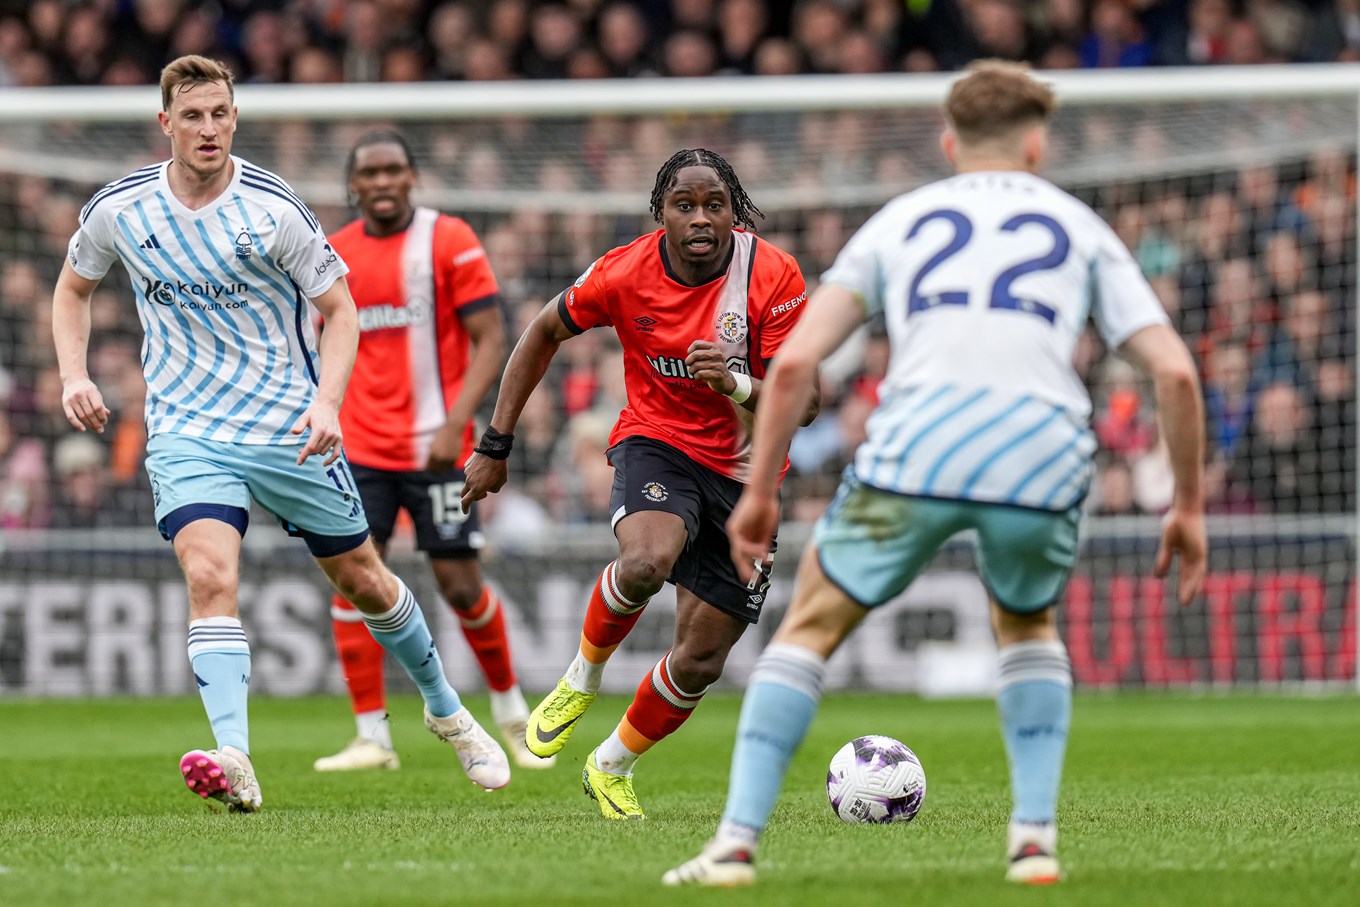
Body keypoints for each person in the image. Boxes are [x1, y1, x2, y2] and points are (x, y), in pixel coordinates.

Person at [664, 61, 1208, 887]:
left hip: (921, 444)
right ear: (1035, 144)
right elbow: (1173, 372)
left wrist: (764, 491)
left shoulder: (902, 220)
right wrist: (1189, 506)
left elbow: (797, 360)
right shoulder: (1079, 224)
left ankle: (734, 845)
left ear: (950, 143)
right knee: (1026, 629)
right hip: (1041, 450)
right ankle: (1032, 841)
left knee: (807, 630)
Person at [52, 55, 510, 813]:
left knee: (364, 579)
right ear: (165, 123)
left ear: (236, 119)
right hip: (187, 429)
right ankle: (234, 753)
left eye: (220, 114)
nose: (208, 128)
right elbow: (73, 288)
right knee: (209, 577)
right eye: (192, 115)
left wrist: (328, 403)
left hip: (285, 427)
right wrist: (74, 373)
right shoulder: (121, 208)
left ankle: (446, 711)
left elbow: (343, 310)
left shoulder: (274, 208)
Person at [461, 148, 816, 819]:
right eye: (686, 204)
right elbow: (541, 331)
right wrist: (496, 442)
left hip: (750, 473)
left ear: (733, 210)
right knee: (648, 559)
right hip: (659, 443)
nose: (701, 217)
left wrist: (735, 381)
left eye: (715, 203)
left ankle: (611, 763)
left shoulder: (772, 273)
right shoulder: (625, 271)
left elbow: (811, 400)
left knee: (702, 657)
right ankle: (582, 676)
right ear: (662, 213)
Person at [313, 130, 547, 773]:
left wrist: (457, 423)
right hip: (359, 451)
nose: (383, 182)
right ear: (353, 185)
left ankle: (512, 713)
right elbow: (319, 341)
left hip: (438, 451)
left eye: (394, 171)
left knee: (460, 583)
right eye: (370, 173)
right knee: (355, 580)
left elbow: (492, 338)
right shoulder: (333, 251)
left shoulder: (449, 239)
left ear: (413, 177)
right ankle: (371, 737)